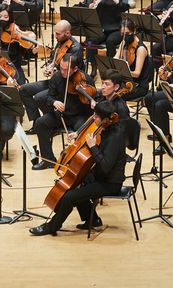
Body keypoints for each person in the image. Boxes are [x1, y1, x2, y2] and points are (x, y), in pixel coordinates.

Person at [30, 100, 125, 236]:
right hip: (102, 176)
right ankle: (93, 220)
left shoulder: (115, 137)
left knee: (69, 196)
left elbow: (105, 167)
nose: (93, 118)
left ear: (105, 119)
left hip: (110, 183)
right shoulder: (106, 129)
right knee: (77, 181)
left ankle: (52, 227)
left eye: (97, 116)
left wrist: (92, 147)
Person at [31, 54, 94, 170]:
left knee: (83, 131)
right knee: (40, 123)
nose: (62, 72)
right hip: (61, 115)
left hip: (79, 116)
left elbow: (93, 104)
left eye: (66, 70)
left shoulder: (86, 79)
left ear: (75, 69)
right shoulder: (57, 77)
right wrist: (54, 102)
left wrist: (89, 100)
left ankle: (78, 163)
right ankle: (48, 160)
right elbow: (49, 96)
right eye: (61, 68)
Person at [20, 20, 82, 123]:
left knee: (39, 98)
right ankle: (36, 122)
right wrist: (49, 67)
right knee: (23, 89)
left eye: (58, 34)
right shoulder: (60, 42)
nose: (55, 36)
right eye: (55, 33)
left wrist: (56, 70)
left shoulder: (76, 49)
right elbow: (54, 59)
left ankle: (50, 122)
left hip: (66, 85)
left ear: (67, 33)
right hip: (54, 81)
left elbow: (73, 72)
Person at [82, 0, 131, 75]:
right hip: (101, 28)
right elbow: (86, 6)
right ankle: (93, 66)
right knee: (90, 41)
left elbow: (124, 6)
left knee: (110, 41)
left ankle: (110, 69)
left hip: (115, 29)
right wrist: (92, 5)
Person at [115, 18, 153, 102]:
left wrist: (122, 71)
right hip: (127, 82)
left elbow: (136, 74)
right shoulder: (124, 42)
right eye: (122, 34)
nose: (125, 37)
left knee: (114, 97)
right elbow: (115, 60)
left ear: (134, 31)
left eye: (127, 33)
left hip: (139, 86)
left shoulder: (140, 49)